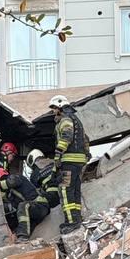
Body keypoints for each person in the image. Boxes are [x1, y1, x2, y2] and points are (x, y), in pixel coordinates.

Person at [51, 95, 89, 234]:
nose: (53, 111)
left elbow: (66, 136)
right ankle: (77, 218)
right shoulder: (77, 120)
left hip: (68, 161)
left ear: (60, 107)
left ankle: (71, 221)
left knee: (65, 191)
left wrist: (57, 156)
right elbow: (85, 140)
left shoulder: (65, 120)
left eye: (54, 108)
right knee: (75, 190)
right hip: (79, 162)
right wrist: (86, 155)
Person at [0, 167, 48, 242]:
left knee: (23, 206)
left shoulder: (16, 177)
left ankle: (23, 237)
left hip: (40, 206)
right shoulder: (10, 193)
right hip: (32, 214)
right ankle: (18, 240)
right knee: (14, 220)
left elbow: (12, 182)